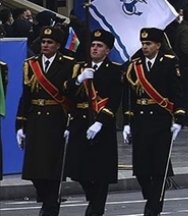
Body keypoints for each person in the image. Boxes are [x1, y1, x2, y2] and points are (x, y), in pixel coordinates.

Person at [122, 27, 186, 216]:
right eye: (143, 43)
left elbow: (177, 91)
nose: (145, 47)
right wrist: (127, 121)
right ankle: (151, 197)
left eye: (148, 44)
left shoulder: (169, 63)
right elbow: (129, 96)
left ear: (158, 45)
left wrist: (179, 117)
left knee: (158, 167)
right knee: (141, 169)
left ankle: (153, 207)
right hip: (140, 120)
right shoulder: (135, 65)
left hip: (160, 119)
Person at [14, 27, 78, 216]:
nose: (45, 45)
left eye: (49, 42)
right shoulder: (31, 64)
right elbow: (25, 96)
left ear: (58, 45)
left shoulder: (68, 64)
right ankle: (48, 199)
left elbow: (71, 96)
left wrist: (70, 124)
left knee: (52, 168)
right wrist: (20, 125)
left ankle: (50, 205)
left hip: (56, 119)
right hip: (35, 119)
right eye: (43, 42)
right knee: (34, 170)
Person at [65, 29, 124, 216]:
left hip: (101, 125)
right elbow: (67, 95)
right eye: (93, 45)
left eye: (99, 46)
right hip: (80, 123)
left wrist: (100, 122)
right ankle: (93, 200)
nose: (95, 49)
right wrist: (79, 80)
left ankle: (96, 208)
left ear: (107, 50)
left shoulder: (115, 70)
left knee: (100, 172)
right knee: (78, 170)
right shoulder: (80, 68)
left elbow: (114, 100)